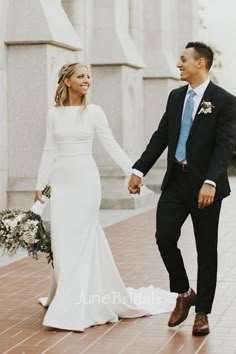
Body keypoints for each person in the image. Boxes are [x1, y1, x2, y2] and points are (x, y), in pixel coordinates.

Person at [35, 62, 176, 331]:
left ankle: (74, 303)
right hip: (61, 182)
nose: (87, 80)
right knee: (63, 240)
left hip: (86, 182)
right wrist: (40, 184)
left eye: (89, 76)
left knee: (84, 237)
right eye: (81, 76)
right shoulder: (53, 114)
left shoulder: (94, 112)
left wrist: (133, 171)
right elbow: (48, 150)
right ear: (66, 81)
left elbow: (110, 144)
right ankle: (67, 294)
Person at [128, 42, 236, 336]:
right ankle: (184, 293)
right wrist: (139, 169)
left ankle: (203, 312)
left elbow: (225, 145)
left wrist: (211, 181)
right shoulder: (176, 97)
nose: (179, 63)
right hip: (176, 183)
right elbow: (161, 136)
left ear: (200, 63)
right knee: (164, 236)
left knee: (206, 250)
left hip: (206, 187)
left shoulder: (224, 100)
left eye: (183, 59)